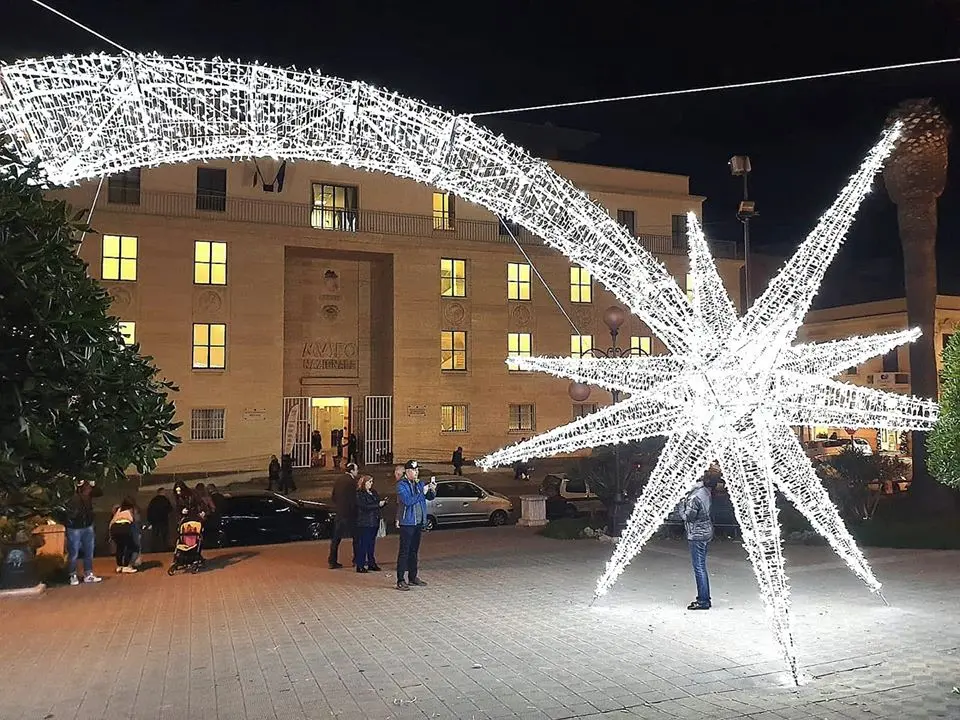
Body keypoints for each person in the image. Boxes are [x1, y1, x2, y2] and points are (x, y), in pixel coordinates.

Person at [395, 460, 436, 591]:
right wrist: (421, 493)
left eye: (418, 470)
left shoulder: (419, 483)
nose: (417, 472)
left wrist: (432, 490)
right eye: (414, 470)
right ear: (407, 472)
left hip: (418, 522)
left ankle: (413, 577)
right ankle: (400, 579)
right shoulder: (401, 485)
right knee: (404, 552)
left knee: (414, 551)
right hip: (407, 523)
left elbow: (429, 498)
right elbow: (407, 501)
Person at [681, 470, 719, 610]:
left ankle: (703, 600)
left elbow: (688, 517)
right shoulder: (704, 491)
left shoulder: (694, 497)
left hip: (697, 534)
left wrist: (681, 505)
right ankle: (704, 598)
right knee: (701, 565)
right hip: (706, 530)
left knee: (699, 567)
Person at [64, 479, 104, 586]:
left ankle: (88, 573)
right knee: (74, 553)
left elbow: (99, 492)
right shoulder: (74, 496)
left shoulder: (88, 497)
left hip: (87, 525)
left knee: (89, 551)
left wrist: (93, 484)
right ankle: (72, 574)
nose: (89, 490)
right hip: (75, 527)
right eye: (87, 487)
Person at [329, 462, 360, 569]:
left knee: (336, 539)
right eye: (356, 470)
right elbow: (353, 499)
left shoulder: (339, 480)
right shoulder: (352, 482)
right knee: (356, 538)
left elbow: (333, 496)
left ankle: (332, 561)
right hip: (350, 514)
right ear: (351, 471)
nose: (357, 472)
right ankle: (357, 560)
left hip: (340, 513)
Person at [354, 474, 385, 573]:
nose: (371, 484)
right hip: (365, 522)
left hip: (374, 521)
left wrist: (382, 504)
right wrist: (377, 505)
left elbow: (376, 503)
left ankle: (372, 563)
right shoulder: (359, 494)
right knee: (363, 544)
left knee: (371, 544)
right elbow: (364, 506)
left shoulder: (373, 492)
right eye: (369, 482)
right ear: (364, 483)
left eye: (372, 482)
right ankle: (360, 565)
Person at [109, 497, 139, 573]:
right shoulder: (131, 510)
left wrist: (111, 535)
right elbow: (134, 521)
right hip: (125, 526)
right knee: (130, 546)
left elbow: (112, 522)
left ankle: (119, 566)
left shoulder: (119, 510)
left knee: (120, 547)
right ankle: (126, 566)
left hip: (115, 527)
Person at [146, 488, 173, 552]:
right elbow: (170, 509)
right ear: (162, 492)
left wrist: (150, 520)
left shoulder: (153, 500)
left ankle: (154, 549)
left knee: (155, 535)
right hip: (163, 520)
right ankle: (165, 548)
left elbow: (149, 510)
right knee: (164, 535)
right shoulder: (165, 500)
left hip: (155, 521)